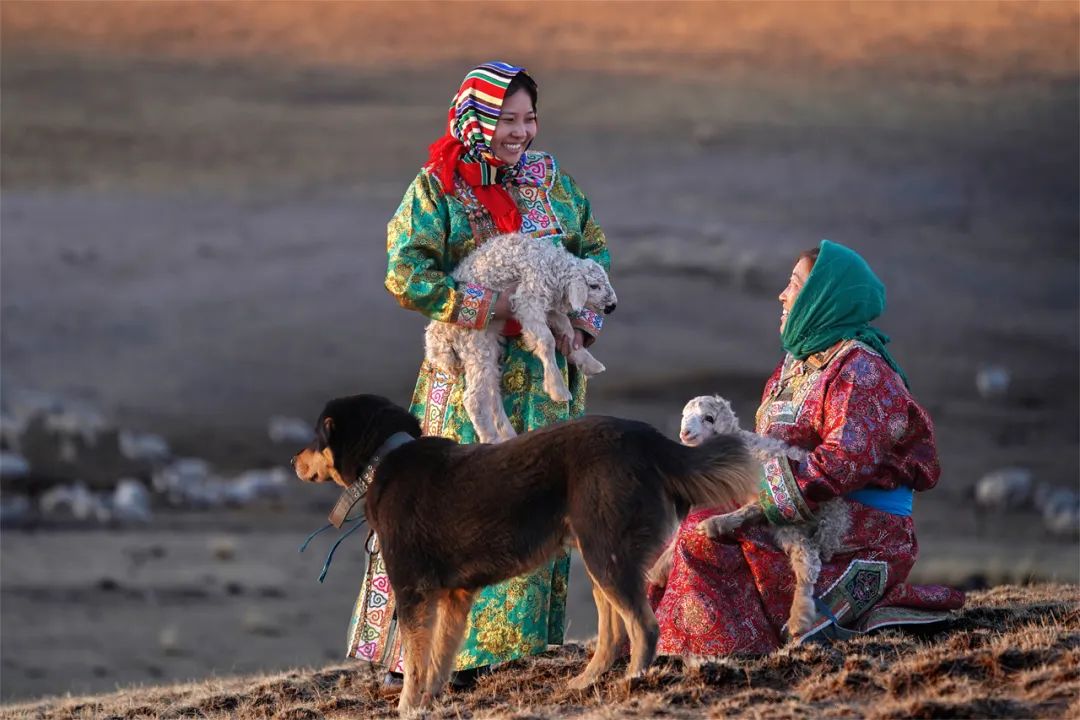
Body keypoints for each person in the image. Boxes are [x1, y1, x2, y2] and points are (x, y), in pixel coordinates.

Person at [346, 62, 610, 683]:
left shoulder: (553, 182)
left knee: (539, 508)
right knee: (441, 513)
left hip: (544, 390)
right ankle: (411, 661)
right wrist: (484, 308)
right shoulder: (436, 188)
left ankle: (511, 661)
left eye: (530, 119)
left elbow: (593, 246)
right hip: (470, 379)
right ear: (474, 120)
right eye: (507, 119)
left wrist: (585, 317)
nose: (521, 132)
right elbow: (403, 271)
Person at [651, 240, 963, 656]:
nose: (782, 295)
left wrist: (753, 501)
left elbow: (843, 462)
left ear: (822, 298)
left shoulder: (862, 370)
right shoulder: (794, 365)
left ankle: (727, 652)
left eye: (794, 284)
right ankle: (672, 646)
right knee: (659, 538)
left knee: (704, 532)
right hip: (794, 513)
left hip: (855, 531)